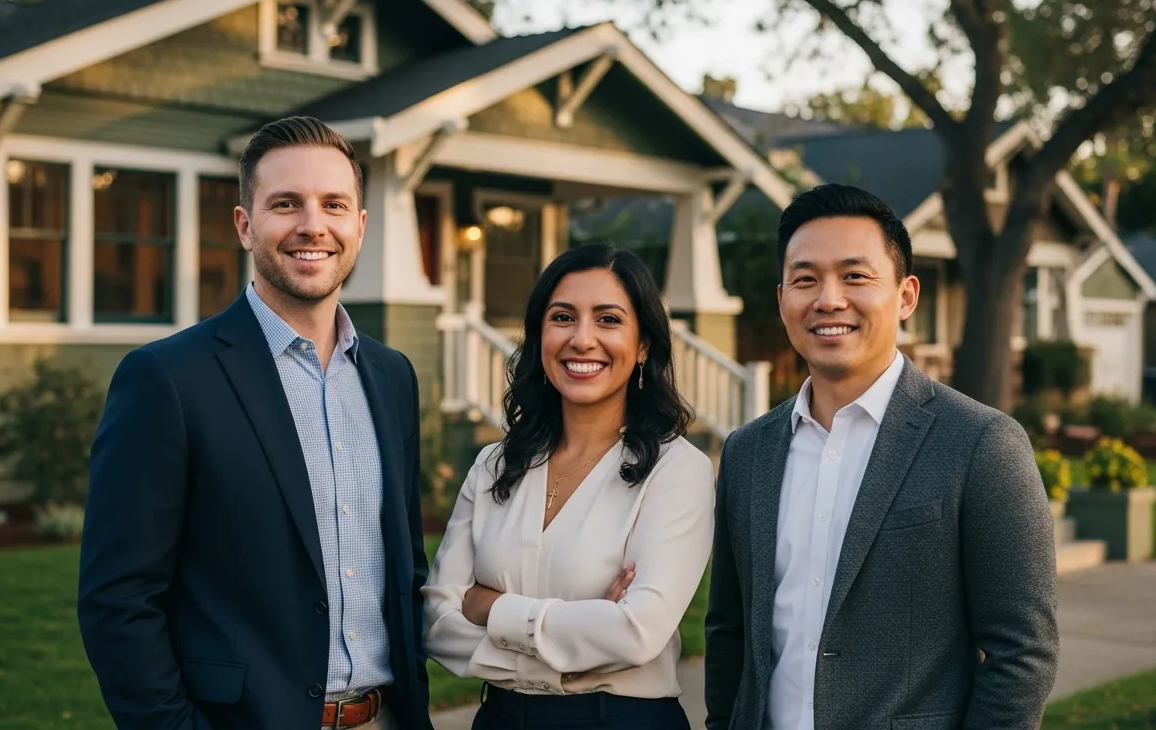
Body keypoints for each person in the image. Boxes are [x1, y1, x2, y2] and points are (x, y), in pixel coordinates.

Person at [78, 116, 432, 730]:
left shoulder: (392, 376)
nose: (311, 225)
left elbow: (407, 571)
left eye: (334, 204)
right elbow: (119, 601)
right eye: (285, 203)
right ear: (245, 225)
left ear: (360, 226)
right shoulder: (167, 379)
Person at [703, 184, 1059, 730]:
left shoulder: (982, 443)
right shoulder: (748, 452)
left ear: (906, 296)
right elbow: (728, 631)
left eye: (855, 276)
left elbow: (1022, 653)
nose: (828, 300)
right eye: (805, 279)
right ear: (782, 300)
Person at [422, 242, 713, 729]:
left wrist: (487, 605)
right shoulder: (494, 465)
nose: (582, 339)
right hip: (501, 720)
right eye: (563, 317)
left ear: (643, 345)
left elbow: (636, 633)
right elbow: (435, 622)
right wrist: (583, 634)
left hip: (621, 720)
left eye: (608, 319)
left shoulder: (677, 470)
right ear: (539, 336)